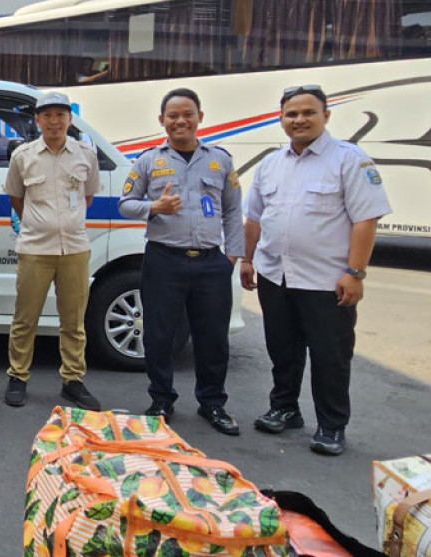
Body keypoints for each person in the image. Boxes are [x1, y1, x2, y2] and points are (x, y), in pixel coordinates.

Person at [241, 85, 391, 456]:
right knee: (282, 350)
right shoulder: (271, 163)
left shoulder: (349, 160)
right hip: (276, 276)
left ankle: (331, 425)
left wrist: (355, 273)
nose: (299, 120)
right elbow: (255, 218)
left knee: (330, 356)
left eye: (308, 112)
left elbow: (365, 220)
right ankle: (285, 408)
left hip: (326, 281)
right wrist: (247, 259)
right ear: (281, 119)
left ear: (326, 116)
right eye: (291, 114)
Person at [118, 88, 243, 435]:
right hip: (163, 259)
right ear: (162, 121)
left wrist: (231, 256)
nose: (180, 121)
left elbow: (233, 210)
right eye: (172, 116)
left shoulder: (220, 160)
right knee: (158, 335)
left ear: (200, 117)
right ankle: (161, 400)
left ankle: (213, 404)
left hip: (210, 262)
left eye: (187, 114)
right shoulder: (148, 161)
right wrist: (153, 208)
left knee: (213, 337)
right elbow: (125, 203)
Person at [2, 92, 102, 411]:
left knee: (73, 320)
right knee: (25, 317)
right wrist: (38, 222)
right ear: (37, 120)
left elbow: (87, 197)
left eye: (61, 114)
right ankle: (18, 376)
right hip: (34, 248)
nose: (54, 121)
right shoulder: (23, 155)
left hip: (74, 248)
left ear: (70, 119)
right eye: (47, 115)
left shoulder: (86, 154)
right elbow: (16, 198)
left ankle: (73, 380)